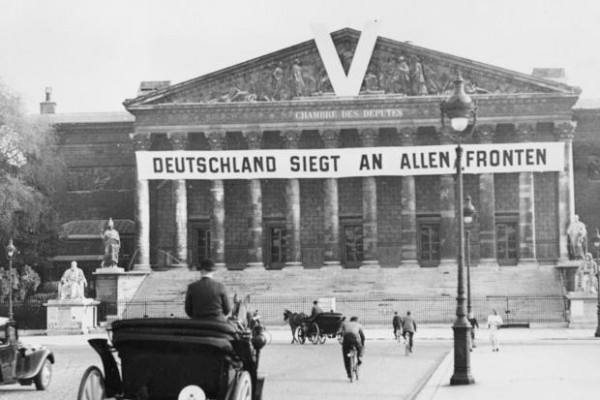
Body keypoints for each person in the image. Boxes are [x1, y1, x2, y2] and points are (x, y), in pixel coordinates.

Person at [338, 316, 365, 380]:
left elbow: (340, 332)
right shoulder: (358, 325)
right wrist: (362, 345)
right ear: (356, 320)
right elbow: (362, 336)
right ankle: (359, 358)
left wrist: (341, 337)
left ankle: (349, 373)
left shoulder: (345, 323)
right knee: (360, 349)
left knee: (345, 355)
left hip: (346, 339)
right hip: (354, 339)